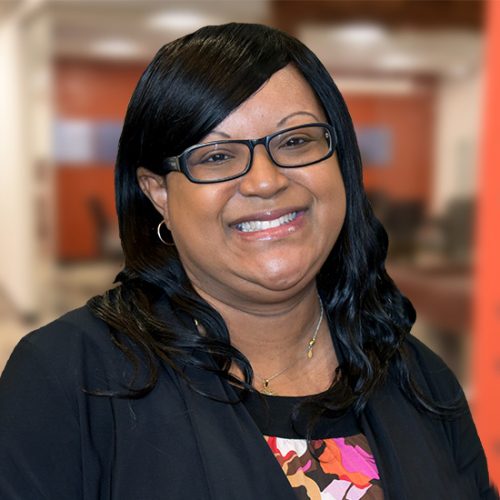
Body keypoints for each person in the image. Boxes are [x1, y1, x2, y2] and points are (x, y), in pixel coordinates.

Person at [0, 23, 497, 500]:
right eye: (217, 155)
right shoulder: (67, 378)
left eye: (296, 141)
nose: (265, 181)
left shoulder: (418, 377)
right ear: (158, 193)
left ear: (340, 161)